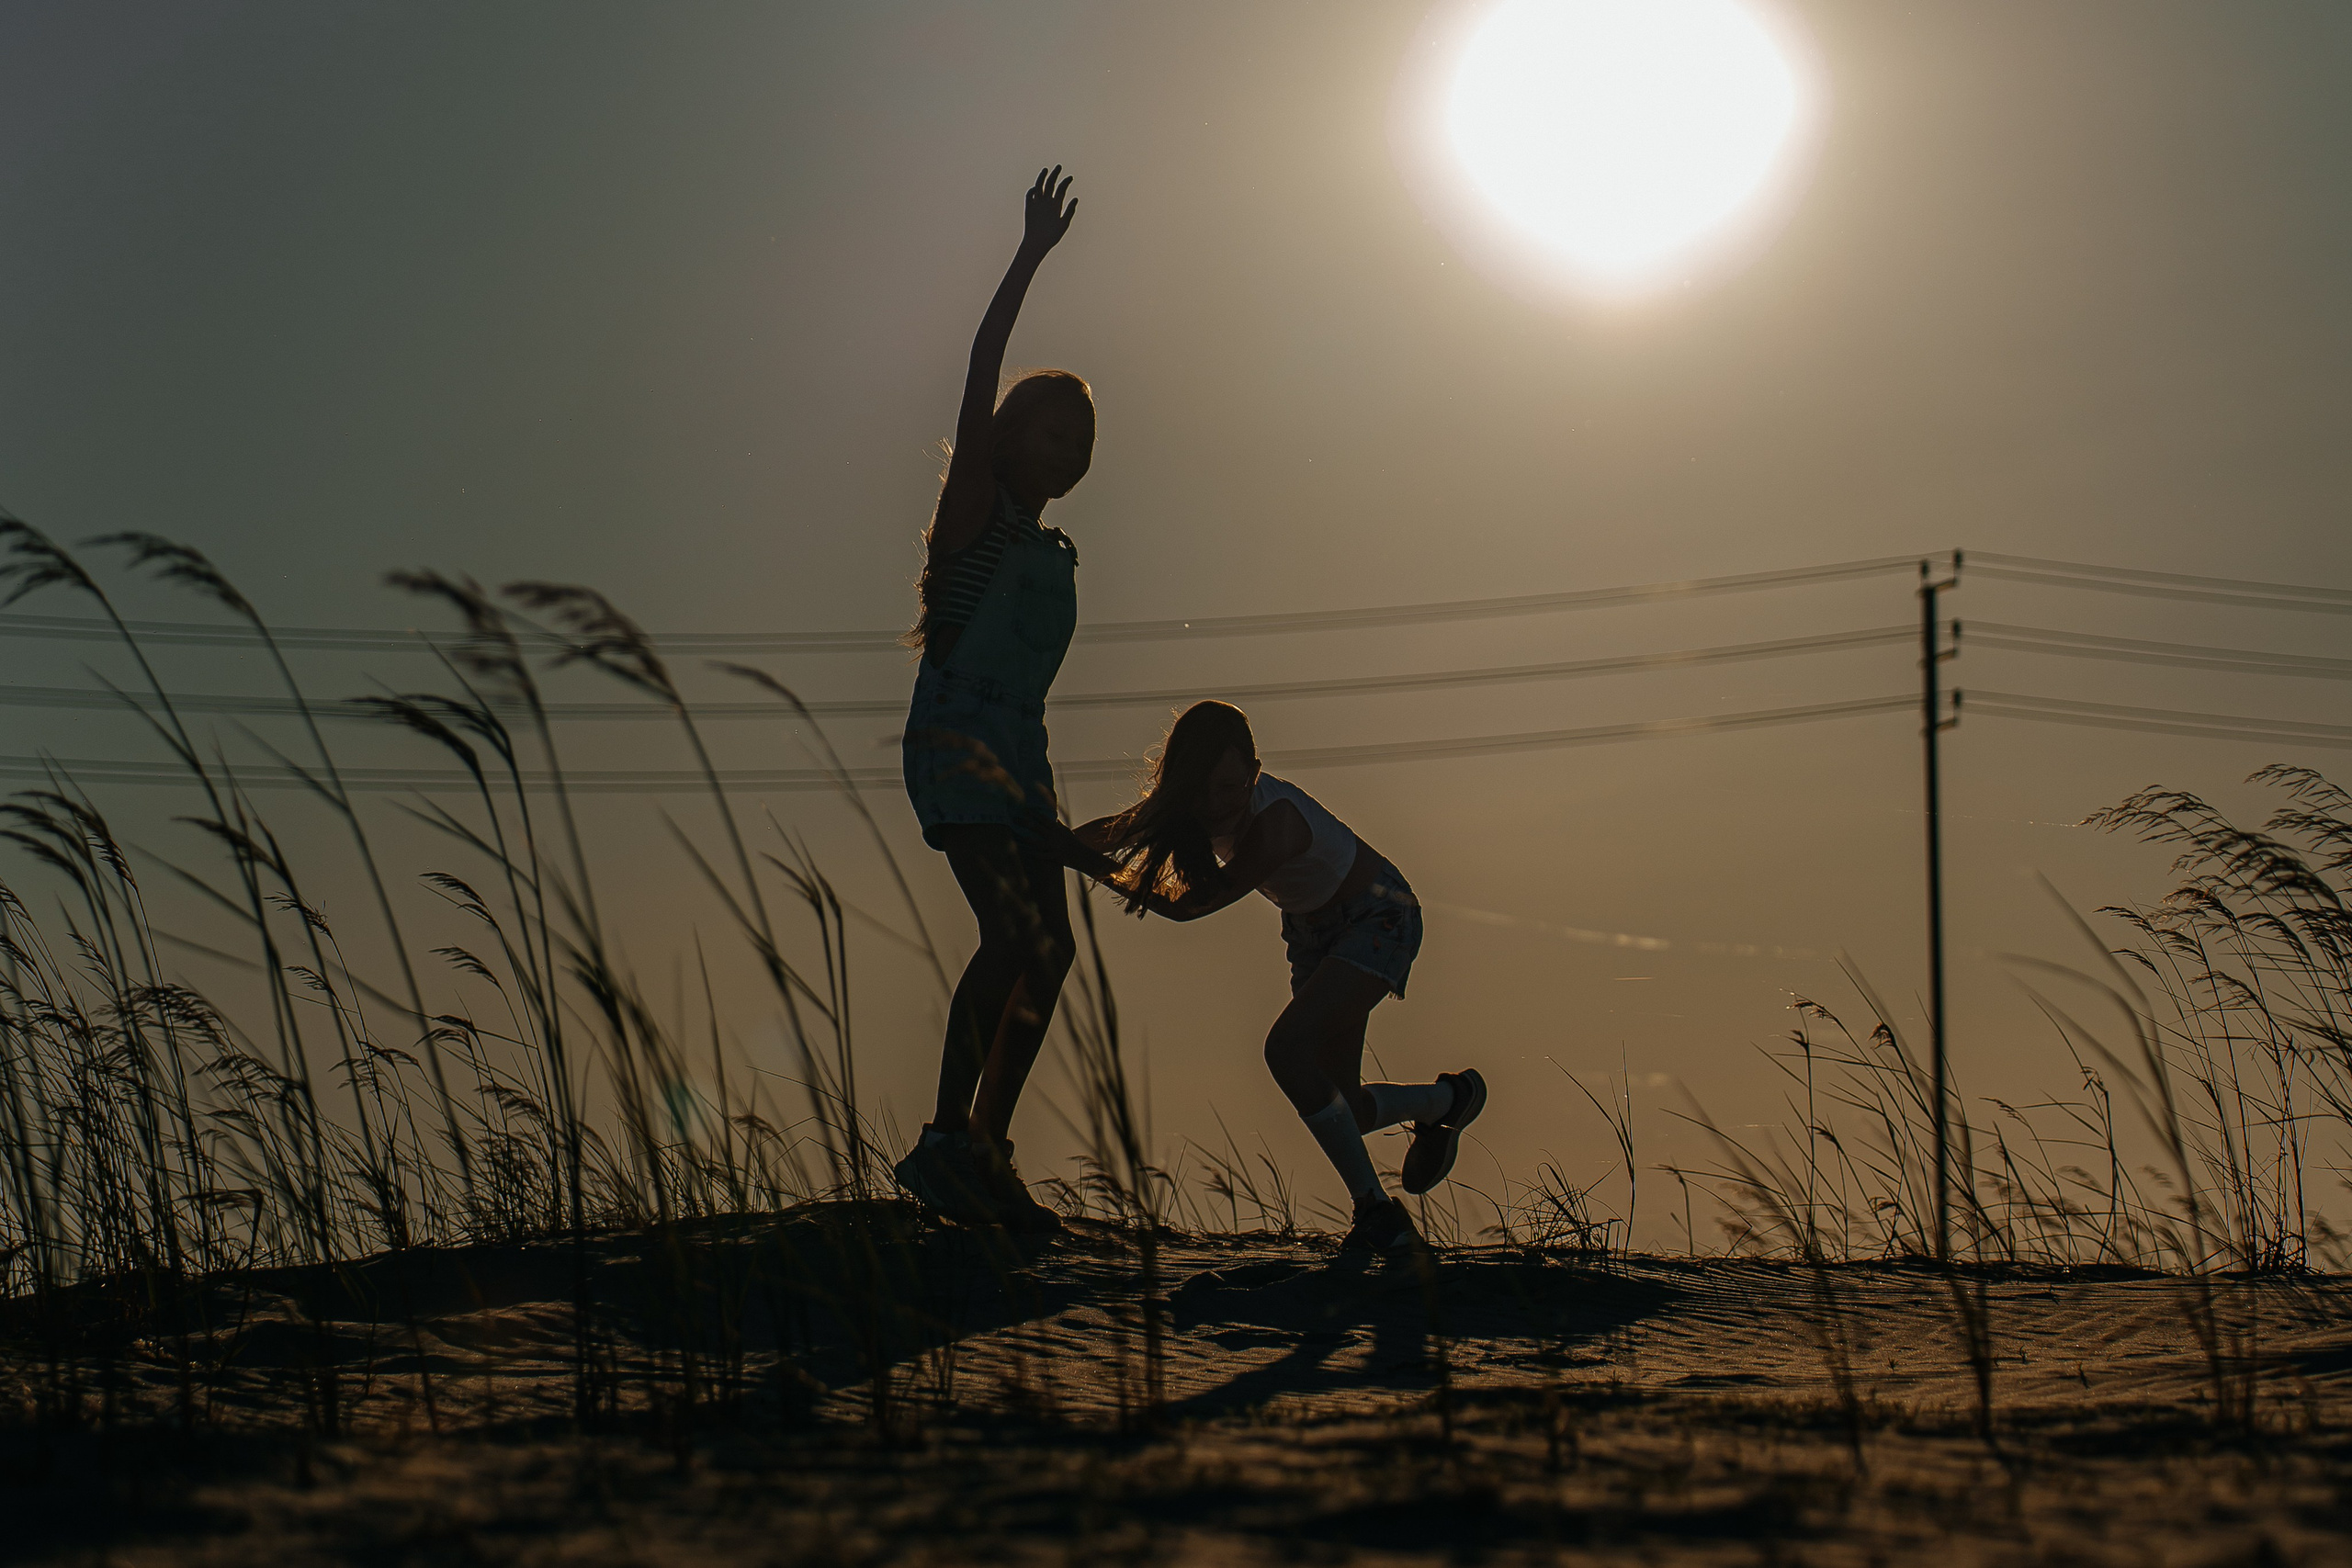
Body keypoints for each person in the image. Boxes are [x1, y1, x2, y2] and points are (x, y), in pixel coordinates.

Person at [893, 166, 1122, 1235]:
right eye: (1050, 429)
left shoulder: (1051, 548)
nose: (1066, 450)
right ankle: (944, 1139)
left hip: (1019, 753)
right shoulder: (973, 508)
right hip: (955, 738)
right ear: (1005, 438)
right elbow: (981, 366)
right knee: (1012, 930)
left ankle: (984, 1143)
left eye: (1080, 441)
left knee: (1055, 950)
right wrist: (1029, 252)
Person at [1078, 702, 1487, 1257]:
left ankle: (1374, 1212)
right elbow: (1115, 831)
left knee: (1287, 1050)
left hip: (1377, 917)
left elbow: (1194, 904)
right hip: (1311, 931)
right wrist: (1048, 843)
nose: (1217, 804)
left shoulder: (1278, 822)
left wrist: (1086, 863)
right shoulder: (1187, 806)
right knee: (1348, 1109)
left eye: (1230, 787)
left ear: (1253, 771)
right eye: (1202, 790)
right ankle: (1448, 1100)